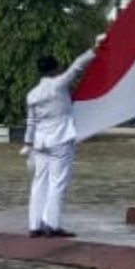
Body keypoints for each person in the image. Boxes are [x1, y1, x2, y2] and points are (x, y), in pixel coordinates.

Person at [23, 43, 100, 238]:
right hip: (60, 138)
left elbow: (31, 122)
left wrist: (28, 144)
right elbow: (77, 66)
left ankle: (35, 225)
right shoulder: (58, 85)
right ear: (56, 69)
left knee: (39, 183)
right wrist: (95, 48)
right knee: (57, 183)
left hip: (40, 141)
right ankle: (53, 224)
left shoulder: (32, 94)